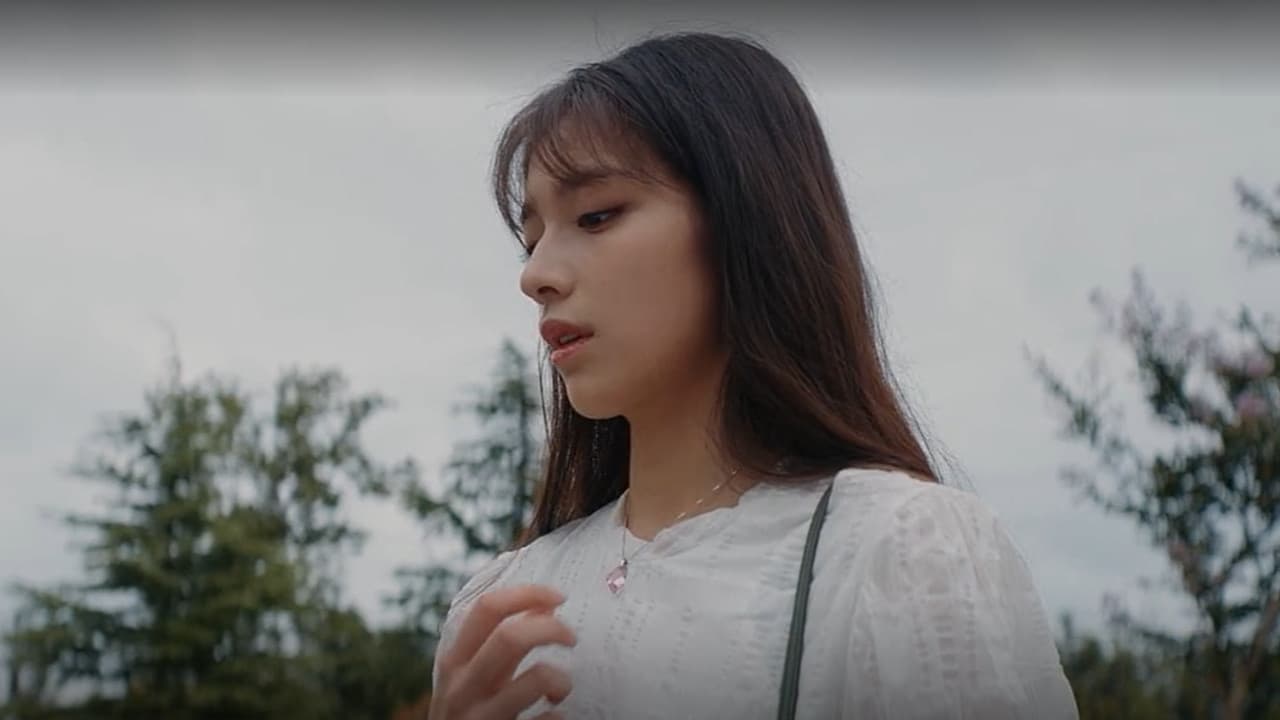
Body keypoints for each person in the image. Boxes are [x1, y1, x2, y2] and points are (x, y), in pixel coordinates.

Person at [428, 31, 1079, 720]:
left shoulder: (896, 555)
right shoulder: (500, 608)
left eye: (596, 216)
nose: (535, 275)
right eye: (531, 241)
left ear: (747, 219)